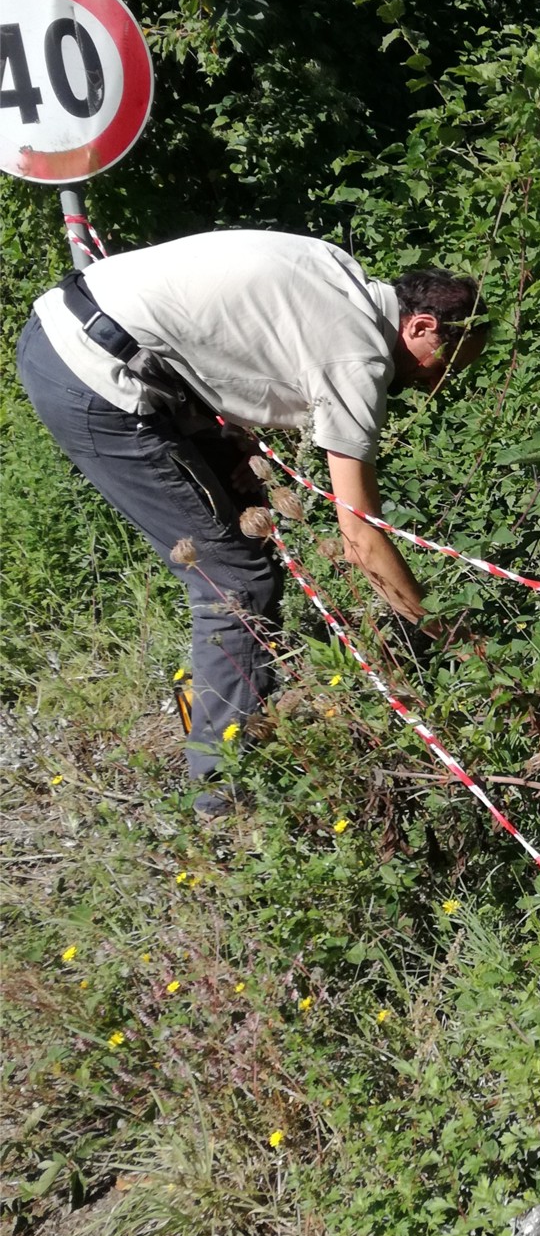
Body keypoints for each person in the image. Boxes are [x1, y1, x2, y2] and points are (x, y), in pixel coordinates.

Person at [14, 228, 485, 815]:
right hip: (92, 376)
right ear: (420, 327)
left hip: (73, 326)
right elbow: (361, 535)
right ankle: (220, 796)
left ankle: (210, 712)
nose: (433, 382)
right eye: (438, 365)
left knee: (235, 538)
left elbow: (222, 340)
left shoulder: (338, 272)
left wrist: (228, 440)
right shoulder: (358, 354)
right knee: (235, 580)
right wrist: (453, 640)